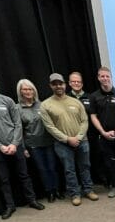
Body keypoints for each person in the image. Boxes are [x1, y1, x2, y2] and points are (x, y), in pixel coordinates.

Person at [0, 69, 45, 219]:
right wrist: (0, 146)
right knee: (3, 179)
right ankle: (10, 206)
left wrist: (14, 144)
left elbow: (17, 124)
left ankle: (31, 200)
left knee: (24, 175)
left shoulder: (7, 100)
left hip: (15, 145)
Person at [40, 73, 98, 206]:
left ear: (65, 85)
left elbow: (84, 121)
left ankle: (88, 190)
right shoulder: (45, 105)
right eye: (55, 84)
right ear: (50, 86)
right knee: (69, 170)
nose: (58, 86)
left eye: (60, 83)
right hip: (62, 144)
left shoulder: (75, 102)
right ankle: (75, 194)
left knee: (85, 167)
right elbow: (50, 127)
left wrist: (78, 137)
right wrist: (67, 139)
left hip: (82, 141)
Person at [17, 79, 60, 203]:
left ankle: (56, 189)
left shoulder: (42, 105)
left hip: (48, 142)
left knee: (52, 167)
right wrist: (23, 148)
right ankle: (49, 191)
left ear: (34, 91)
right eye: (25, 89)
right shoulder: (17, 108)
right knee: (42, 169)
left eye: (30, 89)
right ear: (20, 91)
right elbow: (19, 130)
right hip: (33, 145)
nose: (28, 92)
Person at [89, 67, 115, 198]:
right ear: (98, 78)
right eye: (102, 76)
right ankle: (114, 185)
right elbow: (93, 116)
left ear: (111, 77)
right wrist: (103, 132)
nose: (105, 78)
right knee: (108, 163)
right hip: (104, 136)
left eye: (107, 76)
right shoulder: (94, 96)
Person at [68, 71, 105, 185]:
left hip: (91, 135)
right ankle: (81, 184)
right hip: (74, 136)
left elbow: (96, 115)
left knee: (95, 159)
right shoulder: (66, 98)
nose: (76, 83)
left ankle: (97, 182)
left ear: (82, 83)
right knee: (76, 163)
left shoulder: (91, 97)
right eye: (73, 81)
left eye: (78, 82)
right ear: (69, 83)